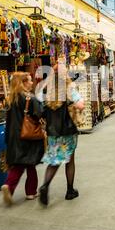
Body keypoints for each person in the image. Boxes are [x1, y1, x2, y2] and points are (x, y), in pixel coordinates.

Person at [39, 66, 85, 206]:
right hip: (68, 130)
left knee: (54, 160)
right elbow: (81, 105)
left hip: (52, 131)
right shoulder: (69, 89)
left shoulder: (45, 89)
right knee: (69, 160)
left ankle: (45, 185)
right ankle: (70, 191)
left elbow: (38, 106)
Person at [0, 72, 45, 205]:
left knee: (19, 164)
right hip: (28, 136)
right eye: (30, 81)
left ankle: (15, 189)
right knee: (29, 163)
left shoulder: (11, 98)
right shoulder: (29, 98)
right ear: (23, 82)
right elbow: (39, 114)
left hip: (14, 137)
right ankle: (24, 190)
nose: (32, 83)